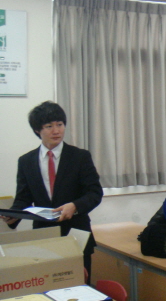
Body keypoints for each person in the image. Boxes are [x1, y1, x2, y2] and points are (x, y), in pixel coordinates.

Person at [2, 101, 103, 283]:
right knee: (47, 286)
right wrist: (13, 216)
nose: (56, 131)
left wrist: (75, 206)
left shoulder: (80, 157)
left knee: (80, 287)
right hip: (44, 237)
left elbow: (95, 193)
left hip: (76, 233)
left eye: (60, 124)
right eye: (49, 126)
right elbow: (24, 198)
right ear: (37, 130)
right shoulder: (26, 161)